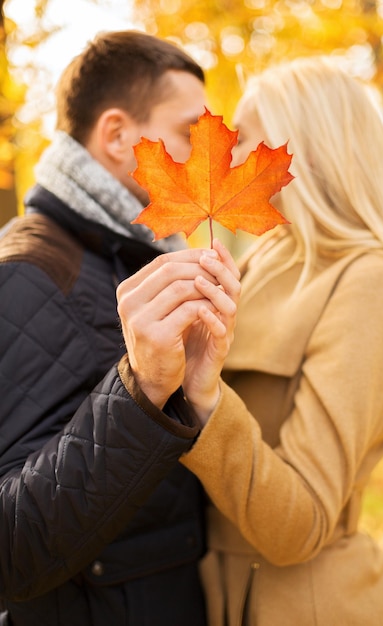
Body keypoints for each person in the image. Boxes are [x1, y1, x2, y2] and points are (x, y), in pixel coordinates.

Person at [122, 56, 383, 625]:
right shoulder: (261, 261)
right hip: (217, 592)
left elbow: (300, 525)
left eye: (248, 142)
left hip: (308, 604)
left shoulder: (376, 282)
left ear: (303, 149)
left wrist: (207, 398)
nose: (226, 158)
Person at [0, 29, 241, 626]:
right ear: (115, 135)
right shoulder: (27, 276)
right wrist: (143, 390)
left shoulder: (140, 259)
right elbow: (11, 552)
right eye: (188, 133)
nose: (206, 157)